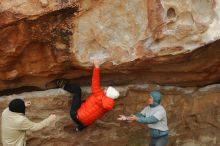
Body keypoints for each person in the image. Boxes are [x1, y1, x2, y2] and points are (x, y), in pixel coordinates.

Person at [58, 59, 120, 131]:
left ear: (107, 93)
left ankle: (63, 85)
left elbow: (95, 81)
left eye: (106, 89)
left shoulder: (99, 94)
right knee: (92, 115)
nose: (105, 89)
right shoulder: (108, 106)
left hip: (76, 115)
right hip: (84, 123)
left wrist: (97, 67)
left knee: (77, 90)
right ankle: (78, 129)